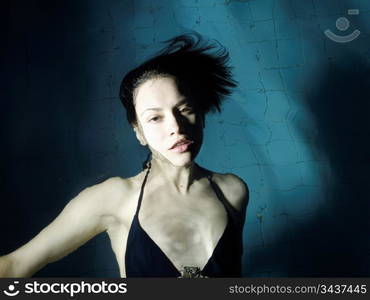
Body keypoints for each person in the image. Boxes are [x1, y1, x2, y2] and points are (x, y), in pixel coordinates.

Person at [0, 32, 249, 278]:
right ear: (138, 132)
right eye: (155, 118)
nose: (176, 126)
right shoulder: (115, 198)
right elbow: (14, 266)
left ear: (202, 116)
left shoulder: (232, 191)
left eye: (184, 109)